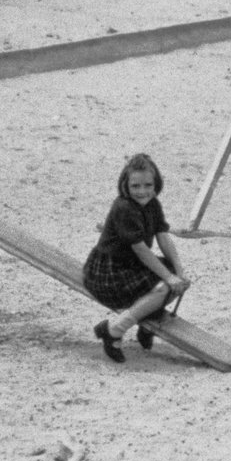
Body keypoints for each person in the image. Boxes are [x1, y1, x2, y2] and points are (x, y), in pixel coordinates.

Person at [83, 153, 190, 363]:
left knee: (174, 278)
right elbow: (141, 250)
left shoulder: (153, 204)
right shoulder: (124, 208)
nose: (142, 191)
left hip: (130, 265)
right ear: (125, 185)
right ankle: (114, 330)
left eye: (148, 185)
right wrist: (169, 278)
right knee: (163, 287)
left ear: (156, 184)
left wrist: (179, 272)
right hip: (109, 271)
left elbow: (162, 236)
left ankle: (144, 318)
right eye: (135, 186)